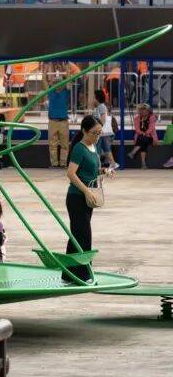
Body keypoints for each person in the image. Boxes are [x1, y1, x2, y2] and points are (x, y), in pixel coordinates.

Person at [64, 116, 111, 283]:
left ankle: (68, 275)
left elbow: (89, 171)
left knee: (77, 236)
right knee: (83, 236)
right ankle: (84, 274)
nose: (97, 136)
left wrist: (103, 171)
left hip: (88, 197)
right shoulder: (79, 148)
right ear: (84, 131)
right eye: (94, 133)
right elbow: (71, 173)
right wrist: (85, 191)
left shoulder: (93, 147)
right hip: (77, 197)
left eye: (99, 133)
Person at [45, 69, 71, 168]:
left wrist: (67, 70)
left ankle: (63, 163)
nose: (58, 84)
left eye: (59, 82)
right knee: (52, 145)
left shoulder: (66, 92)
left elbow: (69, 80)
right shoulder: (51, 92)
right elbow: (44, 81)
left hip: (63, 121)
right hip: (53, 121)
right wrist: (45, 72)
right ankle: (54, 164)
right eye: (56, 82)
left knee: (65, 144)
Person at [92, 89, 117, 170]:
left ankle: (97, 166)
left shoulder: (101, 106)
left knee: (97, 149)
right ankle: (113, 164)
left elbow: (103, 119)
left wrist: (98, 129)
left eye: (93, 97)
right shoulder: (99, 107)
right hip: (102, 132)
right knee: (106, 149)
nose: (92, 100)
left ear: (97, 98)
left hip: (101, 132)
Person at [128, 104, 159, 169]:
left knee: (144, 139)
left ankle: (133, 152)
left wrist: (146, 133)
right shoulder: (137, 118)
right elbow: (137, 129)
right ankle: (143, 164)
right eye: (141, 110)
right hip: (141, 136)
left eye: (145, 110)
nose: (143, 112)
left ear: (148, 111)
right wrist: (142, 133)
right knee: (143, 143)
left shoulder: (152, 117)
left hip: (150, 136)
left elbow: (151, 127)